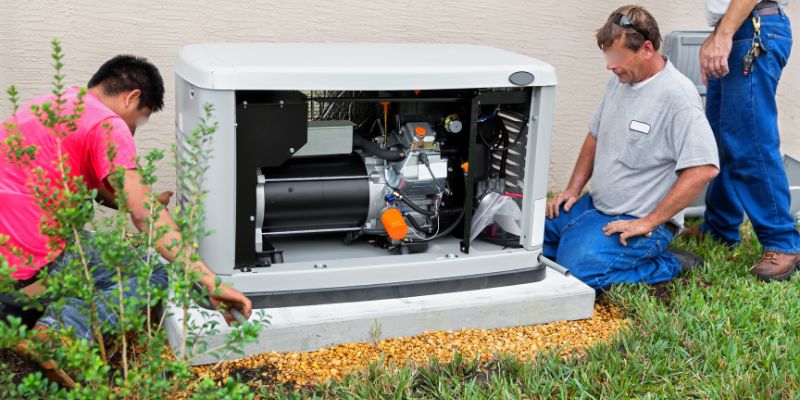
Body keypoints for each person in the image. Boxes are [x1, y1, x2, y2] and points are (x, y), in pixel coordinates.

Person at [0, 55, 252, 383]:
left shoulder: (49, 106)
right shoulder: (108, 123)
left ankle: (32, 315)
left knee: (112, 261)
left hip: (8, 257)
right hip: (31, 263)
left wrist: (134, 200)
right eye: (140, 118)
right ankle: (56, 337)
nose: (133, 129)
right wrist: (210, 282)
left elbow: (84, 186)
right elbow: (147, 218)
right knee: (157, 272)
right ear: (131, 97)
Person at [545, 5, 720, 290]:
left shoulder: (677, 96)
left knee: (578, 273)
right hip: (595, 207)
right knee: (530, 241)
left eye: (617, 57)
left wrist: (649, 222)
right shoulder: (621, 80)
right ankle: (584, 240)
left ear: (647, 49)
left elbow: (704, 169)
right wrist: (572, 189)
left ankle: (670, 262)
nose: (610, 65)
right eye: (608, 56)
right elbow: (595, 135)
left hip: (639, 221)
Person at [692, 0, 798, 281]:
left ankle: (783, 242)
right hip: (737, 28)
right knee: (721, 140)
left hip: (752, 28)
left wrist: (723, 34)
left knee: (750, 141)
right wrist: (717, 35)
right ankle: (720, 227)